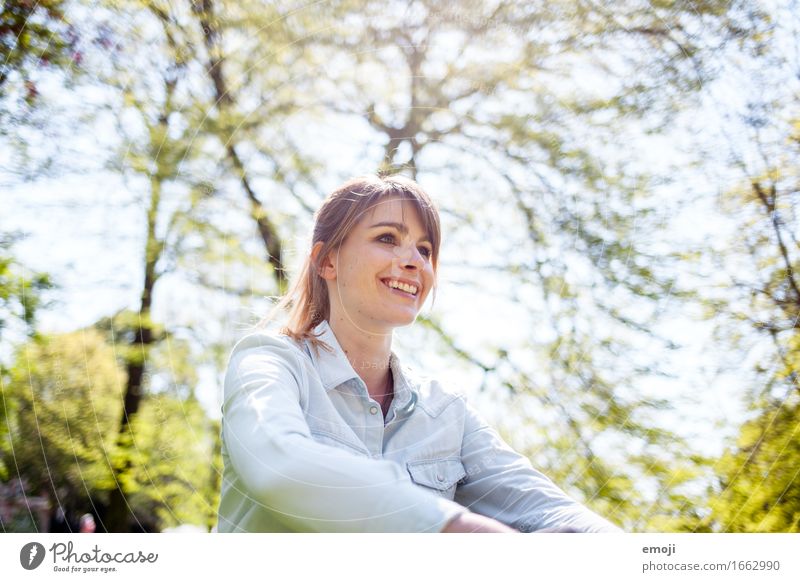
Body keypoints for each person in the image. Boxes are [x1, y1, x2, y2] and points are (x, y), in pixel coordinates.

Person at [216, 174, 621, 533]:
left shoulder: (445, 411)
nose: (414, 262)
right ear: (327, 261)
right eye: (387, 239)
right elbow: (279, 468)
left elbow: (546, 510)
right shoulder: (270, 360)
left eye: (425, 250)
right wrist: (455, 528)